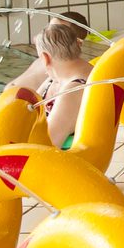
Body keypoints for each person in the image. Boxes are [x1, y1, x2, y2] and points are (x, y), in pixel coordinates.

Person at [35, 17, 93, 149]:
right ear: (78, 44)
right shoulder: (56, 79)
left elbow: (48, 144)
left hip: (63, 158)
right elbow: (29, 108)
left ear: (45, 58)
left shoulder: (73, 91)